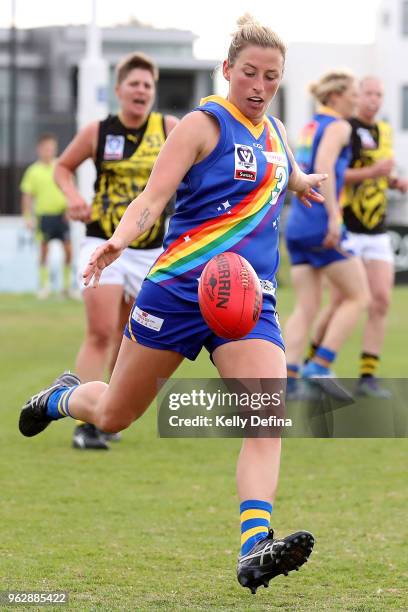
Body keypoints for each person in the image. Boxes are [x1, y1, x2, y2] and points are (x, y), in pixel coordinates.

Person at [19, 15, 324, 593]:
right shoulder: (200, 125)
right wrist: (118, 240)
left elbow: (281, 173)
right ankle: (62, 396)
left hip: (247, 300)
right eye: (250, 73)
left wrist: (303, 182)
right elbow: (152, 197)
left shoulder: (278, 134)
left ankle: (254, 546)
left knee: (266, 423)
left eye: (272, 78)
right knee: (114, 415)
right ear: (227, 70)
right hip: (180, 290)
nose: (259, 86)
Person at [54, 52, 179, 449]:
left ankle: (107, 411)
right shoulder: (98, 131)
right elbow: (62, 167)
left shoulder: (171, 129)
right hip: (101, 241)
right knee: (101, 331)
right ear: (119, 90)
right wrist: (73, 195)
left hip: (150, 250)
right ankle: (85, 423)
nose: (141, 91)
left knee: (131, 336)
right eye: (134, 84)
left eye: (148, 85)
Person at [307, 77, 408, 397]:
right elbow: (337, 174)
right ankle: (312, 363)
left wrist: (393, 182)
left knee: (380, 301)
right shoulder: (343, 128)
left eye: (380, 94)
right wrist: (374, 173)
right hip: (347, 225)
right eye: (368, 93)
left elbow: (380, 173)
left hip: (377, 228)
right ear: (356, 95)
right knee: (341, 300)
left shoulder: (385, 131)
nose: (374, 100)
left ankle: (367, 376)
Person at [283, 71, 370, 395]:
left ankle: (289, 375)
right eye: (355, 93)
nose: (358, 99)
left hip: (297, 224)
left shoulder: (311, 125)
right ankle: (319, 366)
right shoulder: (339, 126)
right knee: (359, 296)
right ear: (336, 96)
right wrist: (334, 216)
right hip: (320, 222)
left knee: (306, 306)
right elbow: (325, 167)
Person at [20, 133, 73, 299]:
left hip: (62, 216)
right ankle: (44, 287)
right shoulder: (33, 171)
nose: (48, 151)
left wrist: (70, 208)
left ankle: (66, 288)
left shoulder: (61, 166)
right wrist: (27, 217)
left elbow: (70, 188)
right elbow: (27, 195)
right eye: (45, 148)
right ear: (39, 149)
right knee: (44, 251)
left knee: (68, 251)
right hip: (44, 217)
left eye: (51, 148)